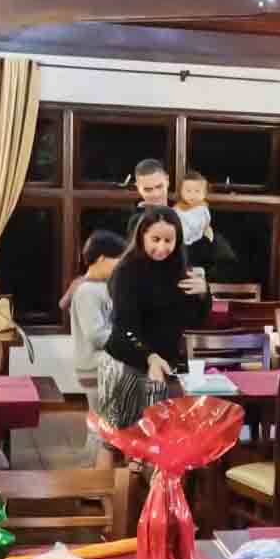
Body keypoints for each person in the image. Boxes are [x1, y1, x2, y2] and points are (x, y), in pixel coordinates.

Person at [94, 206, 210, 432]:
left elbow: (195, 320)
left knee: (160, 438)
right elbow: (124, 328)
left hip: (163, 367)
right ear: (142, 237)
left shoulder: (179, 270)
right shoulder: (126, 272)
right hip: (126, 363)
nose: (162, 247)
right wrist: (149, 356)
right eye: (155, 239)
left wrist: (204, 295)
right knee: (121, 438)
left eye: (169, 240)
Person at [72, 230, 127, 467]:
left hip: (102, 366)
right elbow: (95, 334)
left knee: (99, 421)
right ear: (102, 258)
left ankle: (95, 470)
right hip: (96, 367)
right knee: (103, 424)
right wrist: (126, 342)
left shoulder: (100, 288)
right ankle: (95, 473)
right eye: (118, 261)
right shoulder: (87, 291)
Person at [175, 169, 214, 256]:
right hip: (180, 241)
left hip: (197, 241)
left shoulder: (203, 208)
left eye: (197, 191)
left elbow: (206, 224)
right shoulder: (177, 208)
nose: (192, 195)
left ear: (204, 194)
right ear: (181, 192)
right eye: (188, 191)